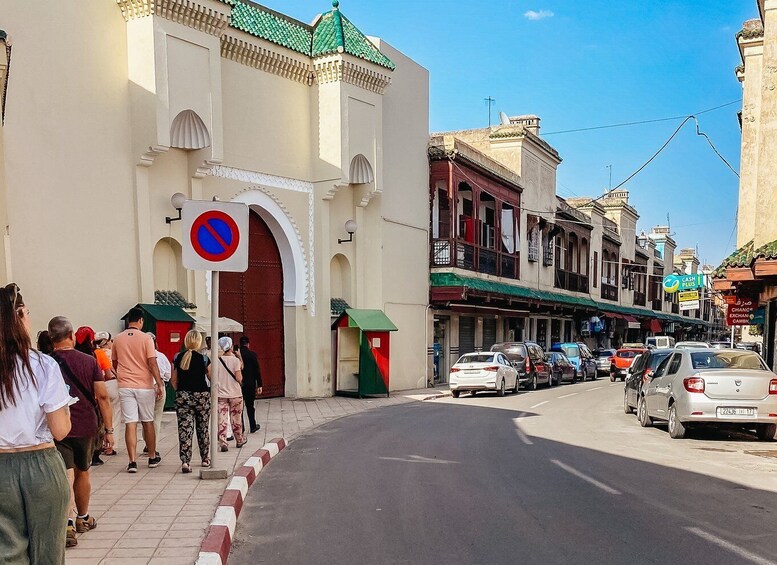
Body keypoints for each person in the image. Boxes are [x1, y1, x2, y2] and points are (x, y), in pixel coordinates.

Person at [0, 283, 71, 565]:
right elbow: (60, 429)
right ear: (18, 316)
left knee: (6, 555)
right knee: (48, 553)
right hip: (41, 465)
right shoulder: (42, 365)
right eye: (27, 313)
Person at [49, 317, 113, 549]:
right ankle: (83, 517)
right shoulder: (89, 361)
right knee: (82, 472)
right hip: (86, 425)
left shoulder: (45, 363)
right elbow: (103, 396)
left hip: (55, 427)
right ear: (71, 335)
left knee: (64, 474)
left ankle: (65, 523)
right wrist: (109, 429)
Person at [111, 308, 163, 473]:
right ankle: (152, 456)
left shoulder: (118, 339)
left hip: (125, 385)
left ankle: (132, 461)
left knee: (130, 423)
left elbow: (114, 363)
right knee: (148, 422)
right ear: (141, 320)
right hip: (144, 386)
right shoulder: (146, 338)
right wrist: (159, 383)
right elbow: (152, 363)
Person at [171, 330, 211, 473]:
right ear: (199, 342)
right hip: (201, 396)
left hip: (183, 396)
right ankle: (205, 458)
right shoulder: (204, 359)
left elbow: (173, 379)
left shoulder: (177, 357)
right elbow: (211, 377)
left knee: (185, 430)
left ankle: (185, 462)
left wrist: (180, 391)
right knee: (203, 428)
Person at [75, 326, 112, 466]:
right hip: (93, 396)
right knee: (97, 425)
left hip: (75, 398)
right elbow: (106, 376)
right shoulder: (95, 355)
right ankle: (95, 453)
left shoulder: (71, 356)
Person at [216, 337, 245, 451]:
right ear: (231, 346)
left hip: (221, 393)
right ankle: (239, 439)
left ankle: (223, 441)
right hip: (235, 393)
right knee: (236, 418)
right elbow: (238, 377)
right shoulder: (235, 360)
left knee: (222, 418)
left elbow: (210, 374)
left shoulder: (217, 360)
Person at [143, 333, 170, 456]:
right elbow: (168, 374)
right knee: (156, 418)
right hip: (159, 386)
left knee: (146, 418)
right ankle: (153, 445)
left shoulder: (140, 356)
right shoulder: (161, 356)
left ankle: (147, 443)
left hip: (144, 388)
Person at [95, 331, 120, 455]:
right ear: (108, 341)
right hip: (111, 385)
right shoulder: (111, 354)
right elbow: (110, 373)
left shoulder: (93, 353)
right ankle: (110, 445)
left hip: (96, 387)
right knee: (113, 415)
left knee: (101, 417)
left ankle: (100, 444)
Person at [238, 335, 262, 433]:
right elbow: (257, 371)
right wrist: (259, 384)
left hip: (239, 384)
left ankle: (241, 427)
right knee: (250, 405)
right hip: (250, 384)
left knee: (240, 407)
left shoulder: (237, 355)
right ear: (248, 344)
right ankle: (252, 425)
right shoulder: (252, 355)